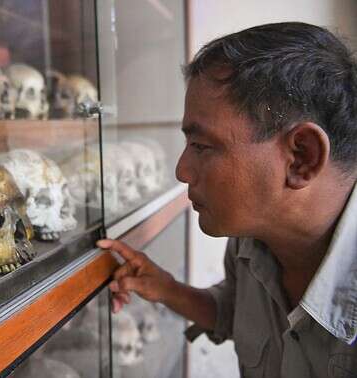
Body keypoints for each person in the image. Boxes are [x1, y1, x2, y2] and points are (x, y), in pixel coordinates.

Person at [98, 22, 357, 377]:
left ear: (302, 157)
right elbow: (237, 311)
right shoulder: (249, 242)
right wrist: (168, 289)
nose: (182, 171)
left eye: (202, 147)